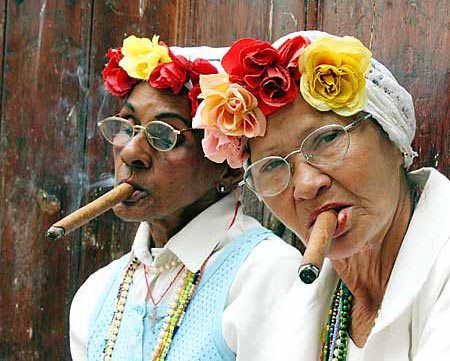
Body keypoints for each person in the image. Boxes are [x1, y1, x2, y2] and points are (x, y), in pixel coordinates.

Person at [193, 30, 450, 360]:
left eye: (327, 139)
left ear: (393, 137)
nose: (304, 185)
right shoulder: (298, 308)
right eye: (272, 166)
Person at [69, 34, 301, 361]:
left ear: (230, 169)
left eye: (164, 135)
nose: (131, 152)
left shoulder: (265, 274)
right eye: (127, 126)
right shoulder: (95, 297)